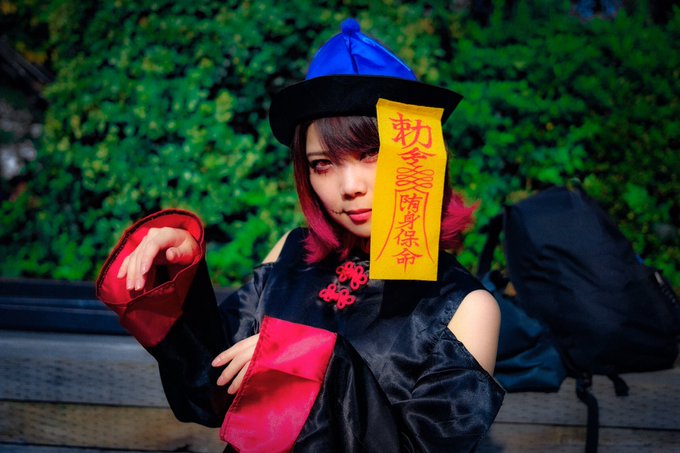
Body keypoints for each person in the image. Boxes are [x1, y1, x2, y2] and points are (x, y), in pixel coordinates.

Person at [97, 19, 504, 452]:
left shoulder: (465, 308)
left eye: (371, 154)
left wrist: (311, 364)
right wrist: (177, 279)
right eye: (322, 164)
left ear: (420, 158)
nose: (349, 186)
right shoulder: (291, 254)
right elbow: (211, 392)